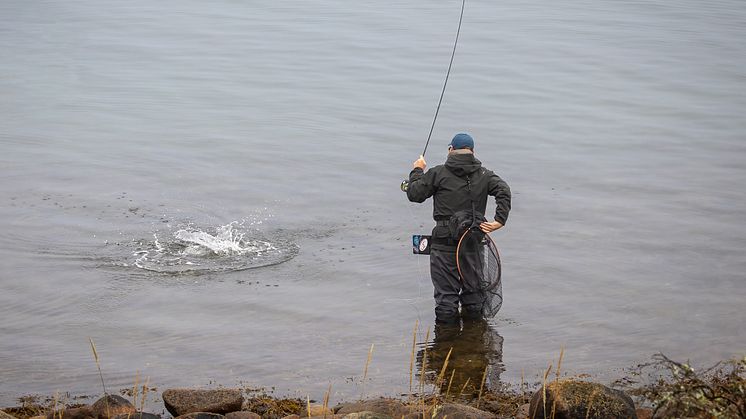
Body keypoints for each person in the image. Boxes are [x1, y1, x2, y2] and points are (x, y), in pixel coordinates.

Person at [406, 133, 511, 324]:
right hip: (472, 243)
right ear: (472, 151)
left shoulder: (437, 173)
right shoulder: (485, 175)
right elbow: (503, 190)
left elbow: (414, 194)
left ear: (450, 150)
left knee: (446, 300)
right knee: (473, 297)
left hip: (443, 245)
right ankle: (473, 341)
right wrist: (499, 221)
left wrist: (417, 170)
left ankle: (446, 346)